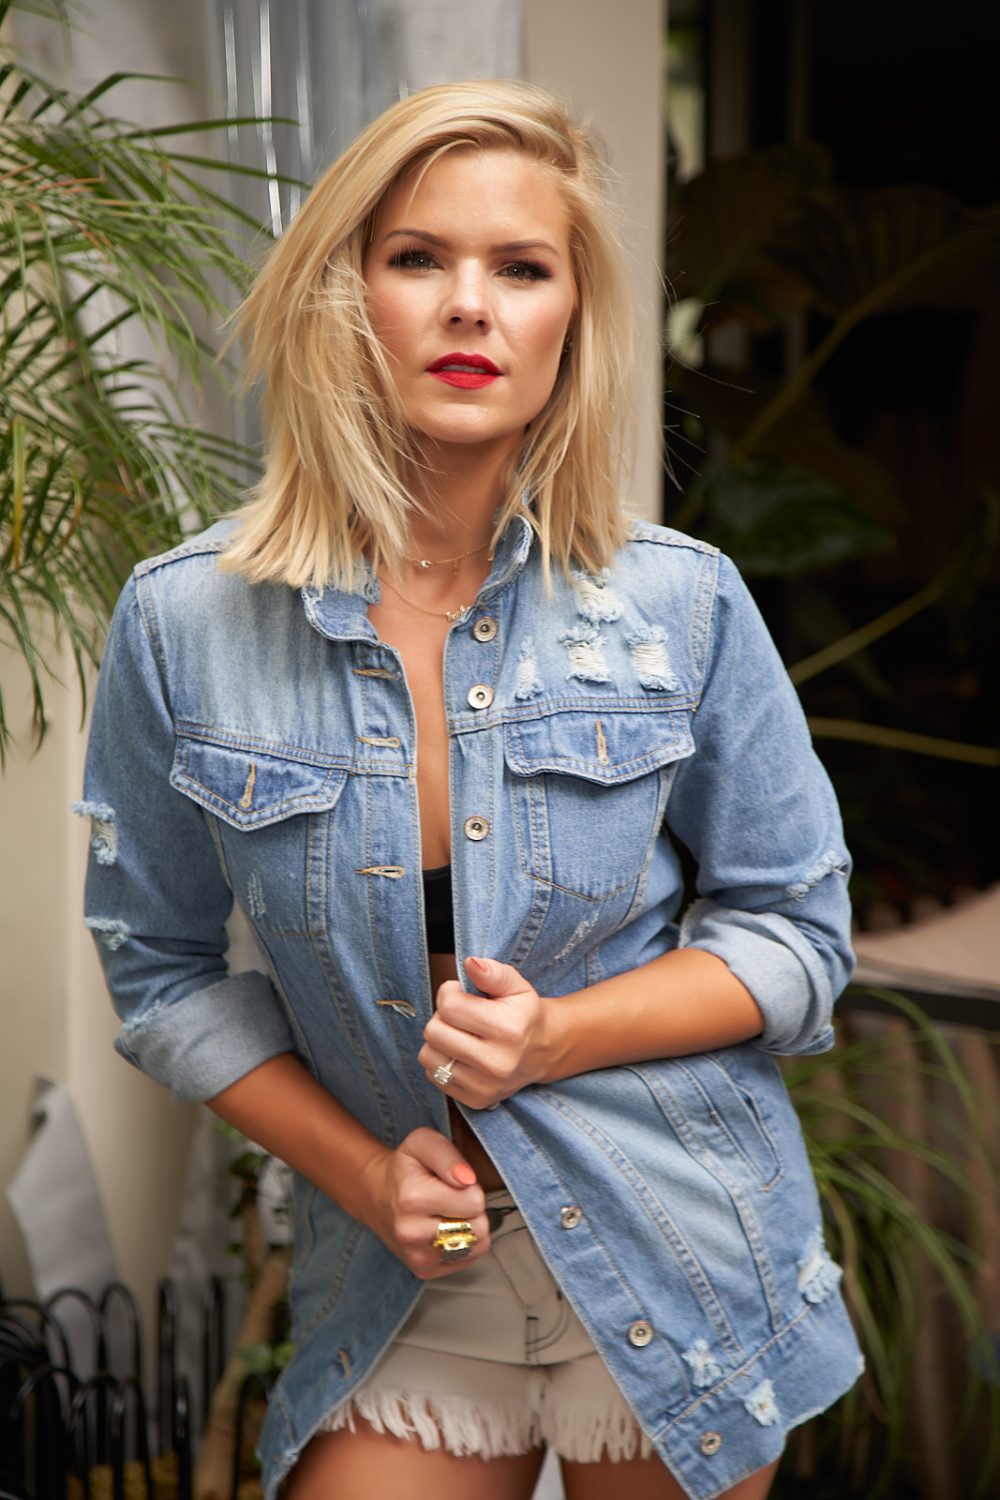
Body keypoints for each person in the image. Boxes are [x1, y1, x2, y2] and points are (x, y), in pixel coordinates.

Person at [77, 80, 863, 1500]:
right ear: (343, 296)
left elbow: (796, 935)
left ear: (573, 320)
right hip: (405, 1273)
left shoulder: (680, 606)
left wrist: (554, 1036)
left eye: (522, 267)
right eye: (417, 257)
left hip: (668, 1243)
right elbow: (161, 967)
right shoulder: (185, 622)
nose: (470, 307)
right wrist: (368, 1178)